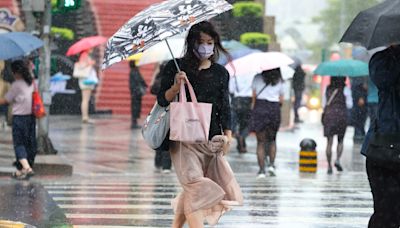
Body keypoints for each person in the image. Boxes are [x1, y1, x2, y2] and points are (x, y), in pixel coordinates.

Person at [157, 21, 243, 228]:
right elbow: (162, 99)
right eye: (201, 42)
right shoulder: (175, 67)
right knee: (196, 187)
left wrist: (228, 134)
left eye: (210, 42)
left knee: (191, 190)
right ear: (192, 43)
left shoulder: (221, 72)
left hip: (211, 139)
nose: (206, 46)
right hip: (182, 138)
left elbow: (224, 105)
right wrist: (176, 86)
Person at [361, 45, 400, 228]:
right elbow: (383, 79)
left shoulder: (384, 60)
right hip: (383, 149)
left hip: (384, 147)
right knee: (385, 213)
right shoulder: (383, 60)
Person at [0, 60, 36, 180]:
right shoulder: (31, 82)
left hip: (20, 118)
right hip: (31, 118)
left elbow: (5, 100)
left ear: (16, 72)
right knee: (28, 144)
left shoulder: (17, 85)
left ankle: (27, 168)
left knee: (19, 144)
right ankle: (21, 171)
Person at [249, 68, 284, 178]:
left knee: (260, 142)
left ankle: (261, 170)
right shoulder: (280, 80)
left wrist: (253, 109)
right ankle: (272, 166)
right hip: (274, 109)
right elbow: (281, 100)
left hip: (260, 108)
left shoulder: (257, 78)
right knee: (272, 140)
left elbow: (253, 96)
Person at [322, 77, 347, 174]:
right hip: (341, 116)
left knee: (329, 142)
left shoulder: (327, 89)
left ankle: (329, 166)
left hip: (329, 116)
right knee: (340, 141)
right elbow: (349, 104)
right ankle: (337, 160)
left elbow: (324, 103)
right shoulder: (345, 89)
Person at [150, 62, 171, 173]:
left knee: (159, 137)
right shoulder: (170, 80)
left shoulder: (160, 80)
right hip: (169, 113)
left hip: (159, 114)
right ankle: (166, 165)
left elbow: (152, 89)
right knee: (167, 138)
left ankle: (158, 161)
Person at [229, 74, 252, 153]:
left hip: (237, 100)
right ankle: (242, 137)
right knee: (245, 123)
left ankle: (238, 137)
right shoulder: (253, 74)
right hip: (248, 101)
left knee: (235, 122)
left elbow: (231, 90)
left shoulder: (235, 75)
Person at [77, 50, 98, 124]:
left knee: (85, 99)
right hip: (86, 79)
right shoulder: (84, 55)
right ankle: (85, 117)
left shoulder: (84, 55)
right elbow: (82, 66)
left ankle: (85, 116)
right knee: (85, 99)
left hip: (85, 79)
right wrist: (91, 63)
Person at [129, 60, 147, 129]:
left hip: (135, 93)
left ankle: (134, 122)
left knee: (135, 107)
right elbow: (139, 80)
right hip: (136, 93)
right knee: (135, 107)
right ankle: (134, 123)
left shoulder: (133, 71)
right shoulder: (134, 72)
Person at [350, 76, 368, 144]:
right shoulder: (359, 80)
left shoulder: (357, 79)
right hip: (359, 103)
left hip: (359, 103)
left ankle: (359, 134)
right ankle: (359, 135)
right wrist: (361, 97)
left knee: (359, 119)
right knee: (360, 119)